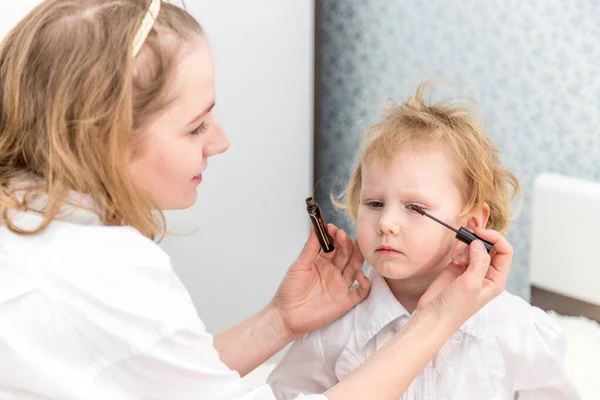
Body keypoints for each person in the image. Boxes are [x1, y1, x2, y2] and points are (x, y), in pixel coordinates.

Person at [0, 1, 513, 399]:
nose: (220, 141)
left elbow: (158, 375)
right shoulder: (104, 271)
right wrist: (437, 320)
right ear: (101, 137)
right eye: (195, 125)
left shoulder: (37, 229)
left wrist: (280, 321)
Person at [267, 82, 580, 399]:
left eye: (415, 208)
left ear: (469, 225)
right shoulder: (332, 330)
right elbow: (286, 393)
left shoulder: (516, 330)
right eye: (375, 204)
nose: (387, 224)